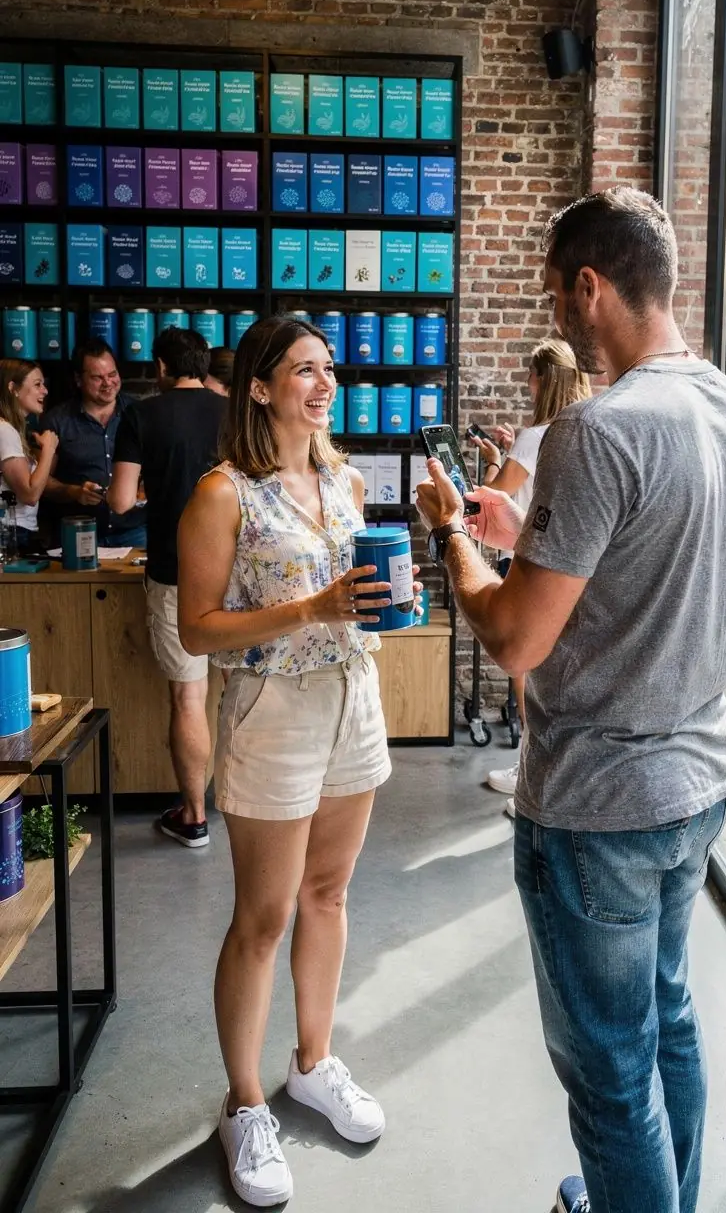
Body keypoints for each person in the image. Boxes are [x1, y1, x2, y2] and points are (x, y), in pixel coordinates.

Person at [416, 188, 726, 1213]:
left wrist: (451, 535)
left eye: (555, 296)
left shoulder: (595, 431)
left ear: (589, 287)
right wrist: (522, 526)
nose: (556, 317)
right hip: (698, 783)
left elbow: (519, 634)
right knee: (670, 1025)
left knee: (611, 1081)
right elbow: (639, 565)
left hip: (599, 806)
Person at [177, 316, 408, 1209]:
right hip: (274, 713)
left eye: (329, 368)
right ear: (262, 388)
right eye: (302, 370)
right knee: (263, 919)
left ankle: (313, 1063)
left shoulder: (345, 477)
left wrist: (394, 596)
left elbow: (356, 593)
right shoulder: (224, 493)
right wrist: (312, 607)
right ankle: (244, 1104)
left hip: (355, 696)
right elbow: (198, 628)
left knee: (329, 894)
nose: (323, 382)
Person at [107, 328, 225, 848]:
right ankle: (250, 805)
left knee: (189, 699)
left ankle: (194, 816)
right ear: (203, 365)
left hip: (177, 572)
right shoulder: (235, 412)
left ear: (160, 367)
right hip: (240, 575)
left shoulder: (142, 414)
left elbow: (119, 501)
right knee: (243, 693)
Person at [469, 338, 591, 814]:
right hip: (573, 564)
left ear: (543, 380)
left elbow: (493, 496)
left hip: (527, 554)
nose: (527, 383)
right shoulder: (582, 430)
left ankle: (530, 771)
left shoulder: (535, 436)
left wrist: (496, 459)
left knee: (526, 666)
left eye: (532, 376)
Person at [41, 338, 147, 549]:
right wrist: (74, 492)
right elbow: (41, 481)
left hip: (134, 531)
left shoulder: (140, 414)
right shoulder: (57, 421)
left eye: (112, 374)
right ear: (78, 380)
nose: (108, 383)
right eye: (97, 378)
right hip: (79, 533)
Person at [0, 358, 58, 554]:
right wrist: (49, 450)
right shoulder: (5, 431)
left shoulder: (10, 429)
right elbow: (30, 494)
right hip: (10, 533)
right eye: (37, 385)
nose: (45, 391)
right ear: (13, 388)